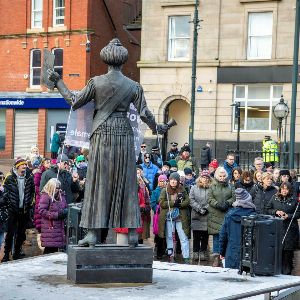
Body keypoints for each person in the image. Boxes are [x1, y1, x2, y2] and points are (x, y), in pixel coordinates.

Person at [48, 38, 169, 247]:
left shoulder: (96, 82)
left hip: (102, 134)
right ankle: (132, 233)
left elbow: (74, 101)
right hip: (123, 134)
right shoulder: (134, 86)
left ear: (106, 60)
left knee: (98, 183)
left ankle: (93, 234)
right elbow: (144, 113)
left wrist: (58, 81)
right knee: (127, 183)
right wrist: (156, 127)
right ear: (122, 61)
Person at [1, 158, 35, 262]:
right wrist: (8, 204)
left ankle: (16, 253)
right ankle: (6, 254)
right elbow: (5, 192)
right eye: (22, 165)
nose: (24, 166)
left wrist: (30, 204)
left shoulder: (29, 177)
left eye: (25, 165)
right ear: (17, 166)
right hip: (12, 210)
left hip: (24, 210)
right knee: (10, 233)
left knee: (21, 233)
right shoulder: (10, 177)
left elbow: (32, 192)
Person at [266, 182, 300, 275]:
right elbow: (268, 209)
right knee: (277, 252)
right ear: (280, 189)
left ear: (289, 190)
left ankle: (287, 273)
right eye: (283, 188)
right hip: (277, 229)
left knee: (288, 254)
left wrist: (288, 216)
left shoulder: (294, 200)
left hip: (290, 230)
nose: (284, 191)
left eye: (286, 189)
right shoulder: (274, 198)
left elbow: (298, 213)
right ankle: (277, 272)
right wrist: (276, 211)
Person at [219, 188, 256, 269]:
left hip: (232, 253)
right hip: (250, 255)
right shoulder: (255, 216)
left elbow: (223, 236)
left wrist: (222, 252)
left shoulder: (229, 215)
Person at [158, 172, 190, 263]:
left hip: (180, 217)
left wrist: (180, 204)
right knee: (169, 236)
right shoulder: (165, 190)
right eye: (171, 179)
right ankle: (171, 255)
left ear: (178, 181)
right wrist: (173, 203)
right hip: (169, 217)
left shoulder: (182, 189)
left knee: (183, 237)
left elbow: (187, 201)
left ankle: (186, 256)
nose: (173, 181)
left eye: (175, 180)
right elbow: (161, 202)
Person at [207, 167, 235, 267]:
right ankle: (216, 258)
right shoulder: (212, 186)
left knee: (226, 236)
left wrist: (228, 203)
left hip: (227, 213)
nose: (222, 178)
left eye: (224, 176)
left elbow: (234, 197)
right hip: (215, 213)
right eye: (220, 176)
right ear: (216, 176)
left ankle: (224, 257)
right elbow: (209, 198)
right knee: (216, 237)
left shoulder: (230, 186)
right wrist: (217, 204)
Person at [39, 178, 68, 254]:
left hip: (60, 225)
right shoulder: (45, 196)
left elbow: (65, 206)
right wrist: (56, 215)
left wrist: (65, 212)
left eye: (58, 188)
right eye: (56, 188)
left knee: (56, 248)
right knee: (50, 249)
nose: (57, 190)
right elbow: (42, 211)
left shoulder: (61, 196)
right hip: (50, 226)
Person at [189, 170, 211, 261]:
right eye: (203, 177)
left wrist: (206, 208)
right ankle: (195, 252)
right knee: (196, 236)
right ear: (200, 178)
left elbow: (212, 200)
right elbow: (191, 199)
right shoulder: (194, 188)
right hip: (196, 215)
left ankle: (203, 252)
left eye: (207, 178)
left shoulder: (211, 188)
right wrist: (199, 208)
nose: (205, 179)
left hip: (207, 215)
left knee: (205, 236)